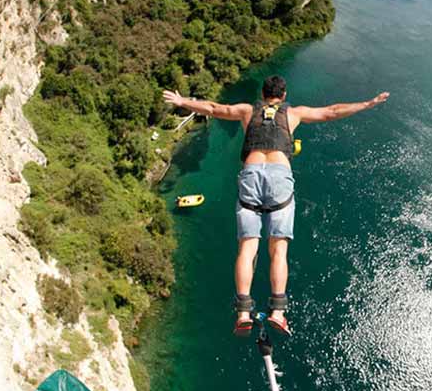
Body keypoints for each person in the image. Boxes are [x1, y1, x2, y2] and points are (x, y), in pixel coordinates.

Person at [163, 76, 389, 336]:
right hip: (279, 177)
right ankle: (278, 313)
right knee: (278, 250)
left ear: (262, 94)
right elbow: (331, 112)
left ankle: (243, 313)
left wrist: (183, 101)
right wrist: (367, 103)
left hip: (251, 174)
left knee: (248, 248)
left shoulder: (247, 111)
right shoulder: (294, 113)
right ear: (283, 95)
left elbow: (214, 108)